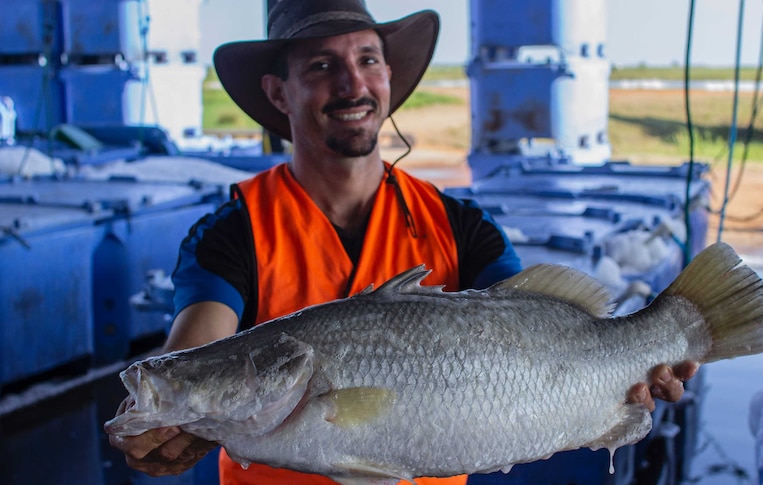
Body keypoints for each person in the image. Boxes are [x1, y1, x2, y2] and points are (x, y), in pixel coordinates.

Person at [107, 1, 698, 484]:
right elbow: (201, 345)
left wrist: (636, 366)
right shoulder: (234, 231)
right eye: (320, 65)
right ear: (278, 93)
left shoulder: (460, 224)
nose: (352, 82)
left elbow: (536, 336)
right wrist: (172, 420)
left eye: (368, 58)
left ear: (388, 77)